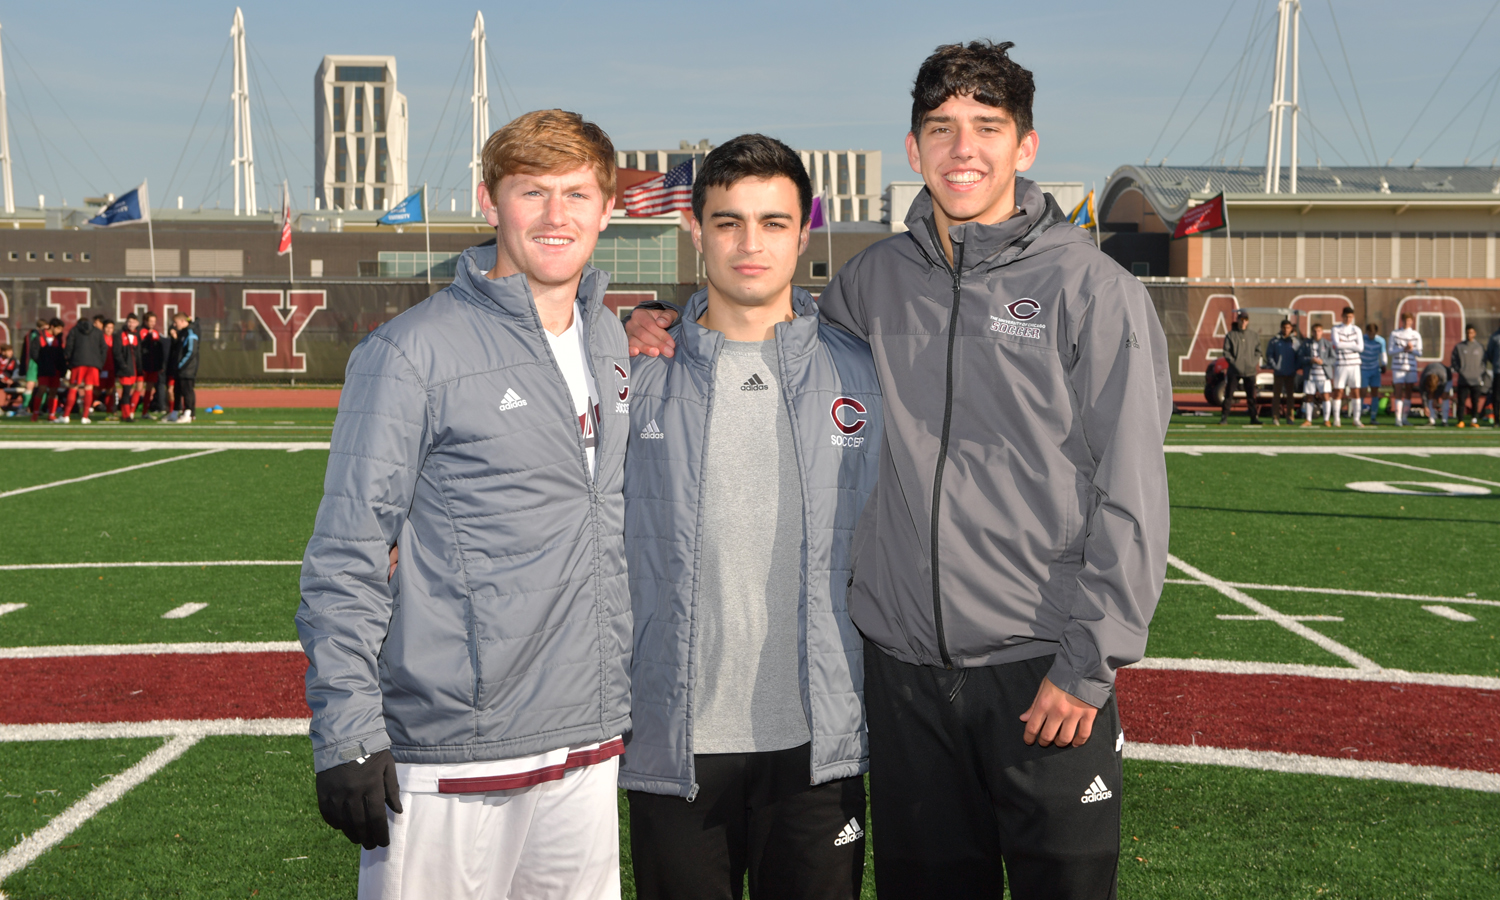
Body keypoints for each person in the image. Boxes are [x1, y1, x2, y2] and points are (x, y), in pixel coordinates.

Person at [627, 41, 1171, 899]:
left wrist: (1087, 665)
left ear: (1026, 145)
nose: (964, 148)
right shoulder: (871, 283)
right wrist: (656, 319)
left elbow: (1134, 493)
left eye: (987, 126)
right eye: (942, 128)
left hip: (1041, 668)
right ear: (913, 149)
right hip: (904, 679)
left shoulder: (1093, 289)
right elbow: (767, 322)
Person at [298, 109, 631, 900]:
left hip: (585, 741)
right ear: (490, 202)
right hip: (456, 748)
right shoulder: (410, 351)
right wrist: (347, 730)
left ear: (608, 209)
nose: (556, 215)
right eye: (532, 192)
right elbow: (346, 552)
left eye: (577, 194)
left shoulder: (610, 337)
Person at [620, 134, 880, 900]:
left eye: (773, 222)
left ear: (804, 234)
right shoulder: (632, 371)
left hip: (818, 743)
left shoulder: (863, 371)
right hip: (675, 742)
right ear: (696, 231)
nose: (750, 243)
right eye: (728, 221)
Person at [61, 314, 107, 425]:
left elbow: (69, 346)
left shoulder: (74, 330)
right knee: (89, 389)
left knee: (73, 388)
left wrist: (69, 361)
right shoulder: (97, 332)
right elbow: (104, 348)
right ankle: (85, 417)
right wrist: (99, 363)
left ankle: (66, 416)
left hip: (78, 363)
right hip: (93, 364)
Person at [1220, 309, 1261, 425]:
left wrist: (1252, 362)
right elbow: (1226, 352)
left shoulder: (1253, 335)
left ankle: (1253, 417)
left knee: (1251, 396)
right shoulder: (1231, 335)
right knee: (1229, 395)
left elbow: (1258, 351)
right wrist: (1235, 363)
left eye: (1245, 319)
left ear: (1248, 321)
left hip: (1250, 370)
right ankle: (1224, 417)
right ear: (1237, 320)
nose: (1243, 322)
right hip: (1234, 370)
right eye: (1241, 319)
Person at [1330, 307, 1364, 427]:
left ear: (1353, 317)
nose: (1348, 319)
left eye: (1350, 317)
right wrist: (1353, 344)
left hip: (1355, 365)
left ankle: (1356, 419)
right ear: (1342, 316)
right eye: (1346, 316)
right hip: (1341, 364)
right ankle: (1336, 419)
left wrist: (1344, 343)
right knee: (1338, 391)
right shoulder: (1336, 329)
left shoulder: (1357, 330)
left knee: (1355, 391)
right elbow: (1337, 345)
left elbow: (1361, 348)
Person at [1388, 312, 1422, 427]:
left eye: (1409, 320)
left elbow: (1419, 353)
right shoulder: (1394, 334)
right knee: (1398, 392)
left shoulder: (1416, 335)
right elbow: (1390, 351)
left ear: (1412, 321)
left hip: (1411, 367)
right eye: (1405, 320)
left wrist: (1411, 349)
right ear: (1402, 321)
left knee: (1408, 393)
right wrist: (1403, 348)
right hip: (1398, 367)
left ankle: (1404, 418)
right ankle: (1397, 419)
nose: (1408, 322)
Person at [1264, 319, 1300, 426]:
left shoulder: (1295, 341)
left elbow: (1299, 356)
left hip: (1291, 373)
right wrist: (1275, 366)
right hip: (1278, 373)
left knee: (1290, 397)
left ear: (1291, 328)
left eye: (1288, 327)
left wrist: (1295, 367)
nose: (1286, 330)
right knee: (1276, 396)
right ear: (1281, 328)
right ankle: (1275, 417)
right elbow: (1269, 355)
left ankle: (1290, 418)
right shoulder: (1275, 341)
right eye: (1284, 327)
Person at [1298, 322, 1333, 427]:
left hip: (1324, 375)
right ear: (1312, 332)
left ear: (1322, 332)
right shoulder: (1306, 344)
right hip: (1310, 375)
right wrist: (1310, 360)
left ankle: (1326, 420)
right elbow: (1300, 357)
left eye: (1319, 331)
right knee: (1309, 397)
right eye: (1315, 331)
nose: (1317, 333)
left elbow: (1333, 358)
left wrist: (1323, 361)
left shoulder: (1327, 344)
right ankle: (1308, 420)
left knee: (1325, 396)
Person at [31, 319, 66, 421]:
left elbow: (61, 353)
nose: (60, 331)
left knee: (53, 391)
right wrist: (42, 362)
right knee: (41, 389)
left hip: (56, 369)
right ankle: (35, 413)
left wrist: (62, 367)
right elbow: (34, 353)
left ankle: (51, 414)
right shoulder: (39, 337)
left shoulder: (58, 339)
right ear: (52, 327)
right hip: (44, 369)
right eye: (58, 329)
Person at [1450, 325, 1484, 428]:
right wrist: (1460, 370)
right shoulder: (1459, 347)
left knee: (1475, 401)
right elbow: (1454, 360)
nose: (1470, 335)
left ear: (1475, 333)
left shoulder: (1479, 347)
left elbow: (1484, 362)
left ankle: (1474, 420)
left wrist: (1479, 372)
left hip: (1476, 379)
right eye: (1468, 332)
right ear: (1465, 333)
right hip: (1463, 379)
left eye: (1472, 332)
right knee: (1461, 401)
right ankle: (1460, 420)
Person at [167, 313, 199, 423]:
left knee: (187, 392)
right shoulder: (182, 333)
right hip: (180, 370)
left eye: (176, 322)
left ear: (182, 321)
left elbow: (191, 352)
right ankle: (175, 413)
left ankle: (188, 414)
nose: (174, 325)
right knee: (177, 391)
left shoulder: (191, 333)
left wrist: (181, 365)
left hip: (187, 370)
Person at [114, 314, 144, 422]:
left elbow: (138, 354)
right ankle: (126, 415)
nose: (131, 324)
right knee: (126, 391)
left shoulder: (137, 335)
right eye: (129, 322)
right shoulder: (120, 334)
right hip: (126, 368)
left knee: (136, 389)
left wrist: (140, 368)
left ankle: (130, 413)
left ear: (137, 323)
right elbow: (117, 352)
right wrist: (123, 366)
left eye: (133, 322)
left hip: (135, 369)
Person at [1359, 321, 1387, 425]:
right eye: (1370, 333)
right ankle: (1358, 416)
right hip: (1363, 369)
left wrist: (1384, 364)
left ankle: (1373, 417)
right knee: (1362, 392)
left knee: (1375, 392)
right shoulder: (1361, 339)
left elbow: (1383, 353)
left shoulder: (1380, 341)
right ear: (1367, 332)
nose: (1371, 335)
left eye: (1373, 333)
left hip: (1375, 369)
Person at [139, 313, 166, 417]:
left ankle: (145, 412)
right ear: (145, 321)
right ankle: (130, 412)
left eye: (154, 321)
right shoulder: (141, 331)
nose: (152, 323)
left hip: (152, 366)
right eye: (150, 321)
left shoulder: (155, 333)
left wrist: (160, 365)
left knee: (149, 389)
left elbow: (159, 350)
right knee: (138, 388)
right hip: (142, 366)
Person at [1420, 361, 1452, 426]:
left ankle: (1444, 420)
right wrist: (1425, 406)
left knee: (1444, 395)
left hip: (1448, 377)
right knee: (1430, 395)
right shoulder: (1423, 379)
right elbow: (1423, 392)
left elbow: (1442, 389)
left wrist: (1435, 398)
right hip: (1434, 371)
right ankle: (1431, 420)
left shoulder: (1443, 376)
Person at [1486, 324, 1500, 427]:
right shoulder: (1495, 337)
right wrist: (1496, 364)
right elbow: (1490, 353)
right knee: (1497, 397)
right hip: (1498, 371)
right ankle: (1496, 420)